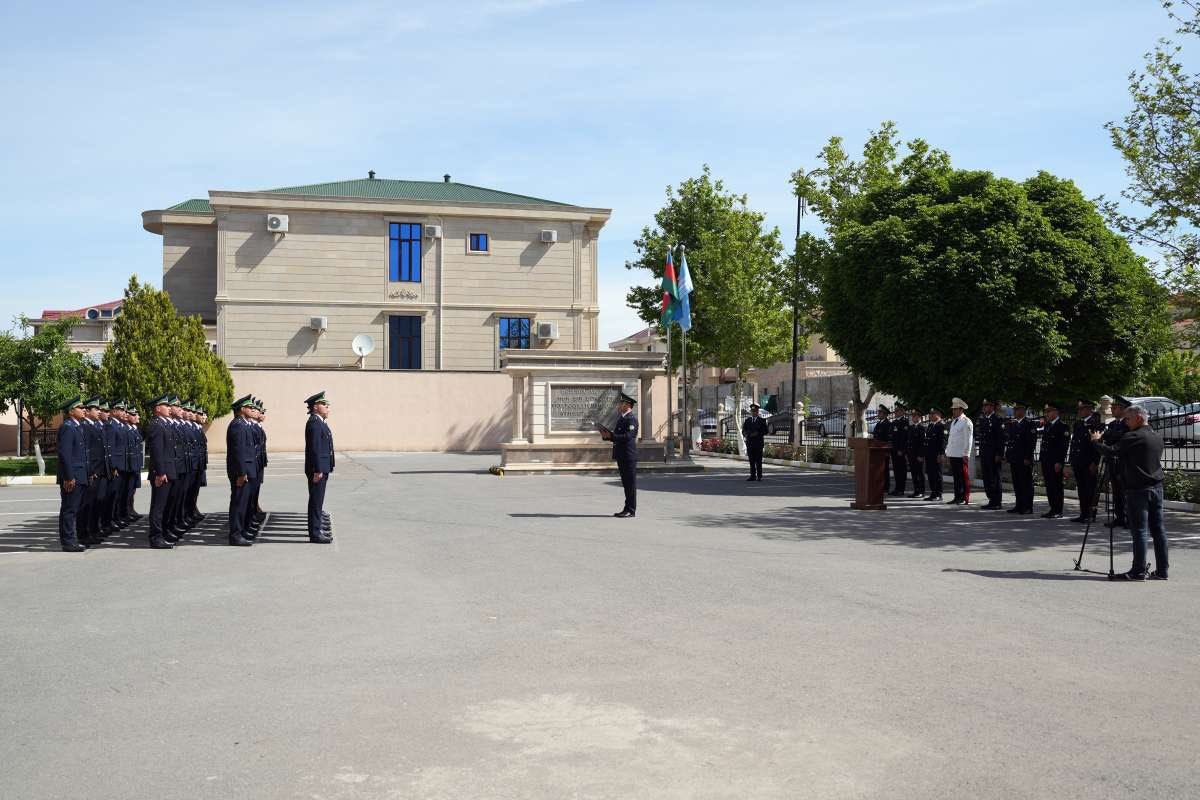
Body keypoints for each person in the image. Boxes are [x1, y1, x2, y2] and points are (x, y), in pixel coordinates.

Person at [1091, 404, 1169, 581]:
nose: (1126, 422)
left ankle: (1138, 571)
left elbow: (1111, 451)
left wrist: (1096, 441)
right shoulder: (1156, 436)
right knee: (1158, 530)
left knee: (1139, 530)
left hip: (1138, 489)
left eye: (1128, 419)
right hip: (1156, 487)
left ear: (1139, 418)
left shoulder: (1133, 436)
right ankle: (1162, 570)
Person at [55, 396, 90, 552]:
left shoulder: (77, 426)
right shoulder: (68, 427)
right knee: (69, 509)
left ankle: (71, 539)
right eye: (80, 408)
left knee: (74, 509)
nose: (84, 410)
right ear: (71, 411)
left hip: (80, 474)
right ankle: (68, 542)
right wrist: (69, 477)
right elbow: (65, 454)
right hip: (73, 476)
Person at [144, 394, 177, 549]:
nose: (169, 408)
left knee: (164, 506)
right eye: (166, 406)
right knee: (158, 507)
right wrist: (160, 473)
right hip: (162, 473)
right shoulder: (156, 425)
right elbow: (157, 451)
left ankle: (162, 534)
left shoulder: (164, 424)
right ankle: (155, 538)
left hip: (168, 471)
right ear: (158, 408)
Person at [226, 395, 258, 546]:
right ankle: (235, 535)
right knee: (238, 504)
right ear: (242, 409)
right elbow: (238, 451)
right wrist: (241, 473)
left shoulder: (243, 424)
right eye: (249, 407)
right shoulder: (237, 425)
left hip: (247, 470)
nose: (252, 409)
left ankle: (242, 531)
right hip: (241, 472)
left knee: (243, 503)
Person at [600, 392, 639, 517]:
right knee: (626, 484)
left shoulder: (631, 419)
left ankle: (631, 510)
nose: (619, 405)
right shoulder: (622, 418)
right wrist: (608, 436)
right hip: (622, 455)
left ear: (627, 405)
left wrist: (612, 436)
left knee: (630, 484)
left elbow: (628, 436)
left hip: (628, 456)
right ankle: (627, 508)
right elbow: (618, 437)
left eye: (621, 403)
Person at [303, 391, 335, 542]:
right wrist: (317, 469)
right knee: (316, 501)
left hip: (322, 467)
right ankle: (315, 533)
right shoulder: (314, 423)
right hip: (318, 469)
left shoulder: (319, 422)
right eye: (324, 404)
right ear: (315, 407)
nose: (327, 407)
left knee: (318, 500)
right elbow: (315, 448)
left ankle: (318, 528)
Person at [1067, 399, 1104, 523]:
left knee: (1090, 489)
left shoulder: (1095, 424)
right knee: (1082, 489)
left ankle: (1090, 515)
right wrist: (1072, 460)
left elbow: (1097, 445)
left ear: (1089, 409)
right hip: (1078, 462)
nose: (1079, 411)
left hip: (1089, 463)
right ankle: (1083, 514)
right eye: (1079, 409)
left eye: (1082, 409)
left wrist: (1095, 462)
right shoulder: (1078, 424)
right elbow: (1074, 444)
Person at [80, 397, 111, 545]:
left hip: (101, 470)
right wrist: (91, 470)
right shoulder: (85, 426)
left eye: (99, 409)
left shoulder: (98, 425)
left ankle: (93, 530)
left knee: (98, 502)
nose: (99, 411)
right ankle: (84, 533)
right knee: (88, 504)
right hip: (93, 471)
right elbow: (87, 451)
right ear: (88, 411)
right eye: (96, 409)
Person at [1103, 395, 1131, 527]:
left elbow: (1122, 439)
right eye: (1112, 407)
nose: (1112, 410)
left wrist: (1112, 436)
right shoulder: (1112, 424)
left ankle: (1128, 518)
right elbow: (1107, 440)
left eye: (1115, 408)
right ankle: (1119, 517)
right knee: (1116, 491)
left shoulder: (1128, 424)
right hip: (1113, 462)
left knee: (1125, 492)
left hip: (1124, 463)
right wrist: (1112, 436)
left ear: (1123, 409)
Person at [1005, 402, 1037, 514]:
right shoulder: (1013, 424)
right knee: (1017, 483)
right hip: (1015, 458)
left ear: (1023, 411)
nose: (1014, 412)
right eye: (1014, 410)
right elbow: (1011, 442)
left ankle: (1028, 507)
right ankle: (1019, 505)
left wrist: (1028, 457)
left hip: (1024, 459)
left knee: (1026, 483)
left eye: (1017, 410)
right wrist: (1008, 456)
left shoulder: (1029, 424)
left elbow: (1031, 443)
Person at [1039, 402, 1070, 519]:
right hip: (1046, 461)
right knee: (1049, 486)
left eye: (1049, 411)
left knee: (1056, 486)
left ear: (1056, 412)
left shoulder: (1062, 426)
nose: (1047, 414)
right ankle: (1052, 508)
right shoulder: (1048, 425)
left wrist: (1059, 462)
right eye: (1046, 412)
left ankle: (1058, 510)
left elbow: (1063, 446)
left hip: (1055, 462)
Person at [977, 399, 1007, 510]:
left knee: (995, 478)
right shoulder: (984, 419)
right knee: (987, 477)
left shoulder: (997, 419)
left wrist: (999, 454)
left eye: (987, 406)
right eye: (984, 406)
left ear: (992, 407)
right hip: (985, 453)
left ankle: (997, 501)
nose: (985, 408)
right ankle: (991, 499)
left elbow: (1001, 438)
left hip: (993, 454)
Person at [946, 397, 974, 505]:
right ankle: (957, 496)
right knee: (956, 477)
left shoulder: (966, 421)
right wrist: (948, 452)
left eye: (955, 409)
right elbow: (951, 438)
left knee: (962, 477)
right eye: (953, 409)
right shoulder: (954, 422)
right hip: (954, 454)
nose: (953, 411)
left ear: (961, 409)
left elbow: (968, 439)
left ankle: (963, 497)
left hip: (961, 454)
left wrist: (966, 453)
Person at [923, 407, 948, 501]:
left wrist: (941, 454)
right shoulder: (930, 426)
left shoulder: (942, 425)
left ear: (939, 415)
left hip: (937, 454)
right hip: (929, 454)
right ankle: (933, 493)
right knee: (930, 474)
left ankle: (938, 494)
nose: (931, 415)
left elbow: (943, 441)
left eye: (933, 414)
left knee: (937, 474)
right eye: (930, 414)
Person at [126, 404, 144, 523]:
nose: (137, 417)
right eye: (134, 415)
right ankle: (127, 511)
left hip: (136, 463)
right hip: (130, 464)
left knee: (133, 489)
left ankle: (131, 509)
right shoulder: (127, 429)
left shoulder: (135, 429)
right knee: (128, 490)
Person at [888, 404, 909, 497]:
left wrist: (902, 449)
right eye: (895, 411)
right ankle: (897, 488)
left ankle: (901, 489)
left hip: (900, 451)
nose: (895, 413)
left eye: (897, 411)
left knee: (901, 470)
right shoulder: (894, 423)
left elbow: (904, 438)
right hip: (894, 450)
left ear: (902, 412)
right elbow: (891, 437)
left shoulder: (905, 422)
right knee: (896, 470)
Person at [742, 404, 767, 481]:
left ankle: (759, 476)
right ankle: (752, 476)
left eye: (755, 411)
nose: (753, 413)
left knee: (758, 461)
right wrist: (745, 434)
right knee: (751, 460)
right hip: (750, 443)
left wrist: (758, 433)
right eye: (752, 411)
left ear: (757, 412)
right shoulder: (748, 420)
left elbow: (766, 431)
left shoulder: (762, 420)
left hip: (758, 443)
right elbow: (744, 430)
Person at [905, 408, 926, 498]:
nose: (913, 418)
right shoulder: (911, 427)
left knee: (920, 473)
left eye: (915, 416)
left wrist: (921, 455)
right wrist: (907, 453)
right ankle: (916, 490)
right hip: (911, 454)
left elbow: (923, 443)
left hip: (918, 455)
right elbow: (908, 442)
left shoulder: (922, 428)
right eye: (912, 416)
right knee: (914, 473)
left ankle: (921, 491)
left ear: (919, 417)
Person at [873, 404, 893, 495]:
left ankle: (886, 488)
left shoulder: (888, 424)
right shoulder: (878, 424)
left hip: (883, 451)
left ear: (885, 414)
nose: (878, 414)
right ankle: (879, 486)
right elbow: (875, 436)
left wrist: (887, 451)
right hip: (877, 451)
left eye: (880, 413)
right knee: (878, 470)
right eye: (878, 412)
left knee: (885, 470)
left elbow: (888, 439)